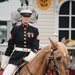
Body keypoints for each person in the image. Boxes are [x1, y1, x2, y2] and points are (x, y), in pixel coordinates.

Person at [1, 6, 39, 75]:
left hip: (30, 57)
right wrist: (5, 60)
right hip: (16, 57)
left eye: (28, 16)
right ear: (21, 17)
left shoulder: (35, 30)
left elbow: (35, 46)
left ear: (30, 17)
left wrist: (30, 57)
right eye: (24, 16)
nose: (26, 18)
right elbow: (10, 47)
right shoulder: (15, 30)